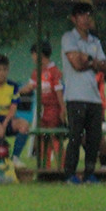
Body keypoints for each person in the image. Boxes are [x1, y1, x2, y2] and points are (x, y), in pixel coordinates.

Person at [61, 2, 106, 184]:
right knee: (75, 136)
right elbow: (76, 64)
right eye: (82, 15)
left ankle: (89, 173)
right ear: (74, 18)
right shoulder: (68, 38)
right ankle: (69, 174)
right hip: (75, 95)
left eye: (88, 15)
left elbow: (104, 65)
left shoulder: (95, 41)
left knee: (94, 138)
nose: (86, 18)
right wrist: (92, 61)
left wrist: (87, 59)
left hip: (94, 97)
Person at [19, 40, 66, 169]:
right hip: (42, 109)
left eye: (33, 54)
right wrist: (15, 92)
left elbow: (58, 91)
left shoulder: (54, 71)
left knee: (54, 136)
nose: (32, 58)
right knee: (42, 137)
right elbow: (29, 87)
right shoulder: (36, 72)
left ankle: (62, 166)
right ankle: (45, 167)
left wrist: (62, 108)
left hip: (53, 109)